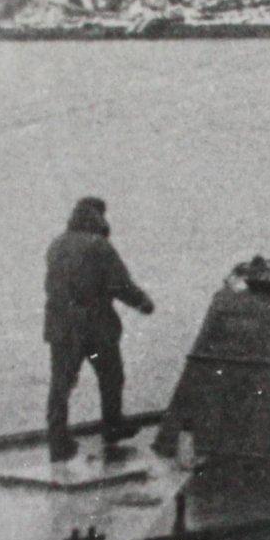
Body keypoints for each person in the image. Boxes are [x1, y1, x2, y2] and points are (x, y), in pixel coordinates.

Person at [44, 196, 153, 462]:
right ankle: (113, 426)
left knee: (61, 383)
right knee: (111, 375)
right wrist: (143, 303)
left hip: (61, 326)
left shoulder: (57, 244)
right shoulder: (99, 246)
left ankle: (57, 440)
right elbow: (119, 284)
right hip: (95, 328)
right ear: (97, 217)